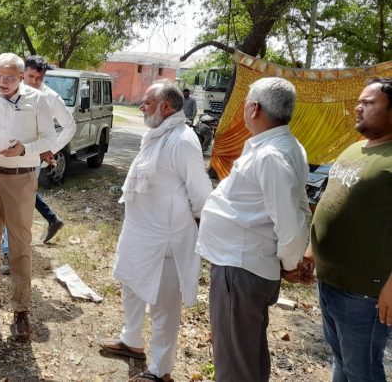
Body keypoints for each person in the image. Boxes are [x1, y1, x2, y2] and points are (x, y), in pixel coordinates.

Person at [195, 77, 310, 382]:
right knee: (247, 354)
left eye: (246, 102)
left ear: (254, 108)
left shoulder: (271, 155)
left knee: (234, 362)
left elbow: (290, 221)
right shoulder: (279, 146)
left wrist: (289, 264)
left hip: (242, 268)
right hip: (244, 265)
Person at [99, 82, 212, 382]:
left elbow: (200, 195)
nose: (141, 106)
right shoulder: (156, 134)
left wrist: (198, 227)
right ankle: (131, 341)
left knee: (163, 306)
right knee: (131, 285)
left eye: (147, 102)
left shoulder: (183, 139)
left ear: (166, 107)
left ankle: (161, 370)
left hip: (166, 239)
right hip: (139, 231)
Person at [303, 77, 392, 381]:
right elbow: (332, 201)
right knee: (341, 361)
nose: (358, 107)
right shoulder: (354, 150)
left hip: (365, 294)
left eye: (368, 103)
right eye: (359, 101)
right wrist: (312, 248)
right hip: (330, 282)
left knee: (362, 371)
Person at [0, 53, 57, 340]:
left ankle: (21, 310)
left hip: (20, 180)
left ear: (21, 76)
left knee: (19, 246)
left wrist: (23, 149)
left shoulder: (37, 99)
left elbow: (50, 138)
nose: (2, 82)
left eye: (9, 78)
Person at [0, 55, 76, 273]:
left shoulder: (50, 97)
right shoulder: (13, 89)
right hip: (6, 156)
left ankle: (8, 250)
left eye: (38, 77)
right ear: (23, 73)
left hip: (30, 159)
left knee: (16, 207)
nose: (33, 81)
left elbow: (69, 126)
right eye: (30, 76)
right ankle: (7, 246)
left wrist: (49, 149)